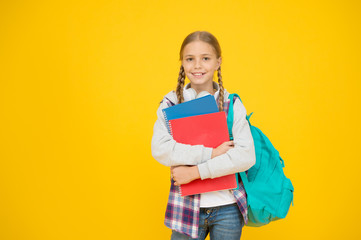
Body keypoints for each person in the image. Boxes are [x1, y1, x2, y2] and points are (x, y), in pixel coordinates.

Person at [151, 31, 256, 240]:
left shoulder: (232, 104)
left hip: (228, 207)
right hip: (186, 206)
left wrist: (194, 172)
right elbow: (161, 150)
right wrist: (212, 153)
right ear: (182, 63)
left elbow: (246, 157)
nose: (197, 66)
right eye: (190, 59)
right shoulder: (170, 103)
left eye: (205, 58)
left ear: (218, 62)